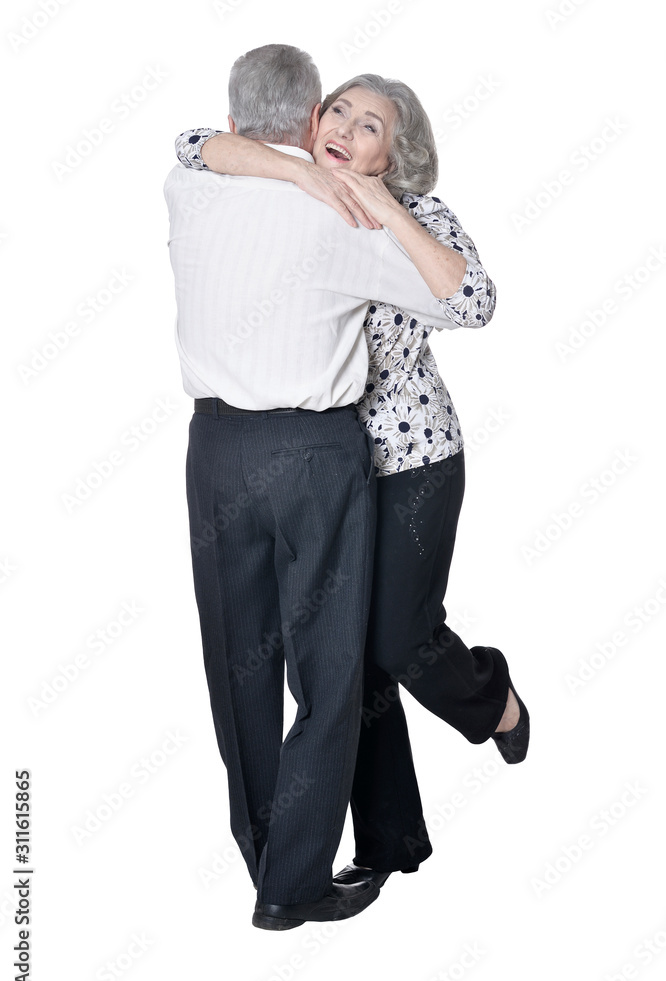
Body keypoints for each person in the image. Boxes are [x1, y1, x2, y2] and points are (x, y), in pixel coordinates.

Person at [173, 71, 530, 892]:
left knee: (397, 640)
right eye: (337, 110)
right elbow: (191, 148)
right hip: (318, 460)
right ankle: (391, 841)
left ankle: (494, 700)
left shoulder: (418, 218)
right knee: (339, 662)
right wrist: (304, 173)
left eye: (371, 126)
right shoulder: (291, 193)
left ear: (394, 153)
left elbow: (475, 302)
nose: (345, 128)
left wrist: (388, 206)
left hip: (410, 461)